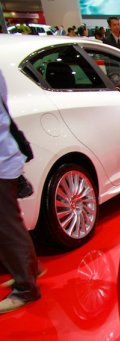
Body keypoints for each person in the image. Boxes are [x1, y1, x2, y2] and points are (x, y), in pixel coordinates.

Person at [0, 69, 42, 314]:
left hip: (3, 160)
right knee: (11, 223)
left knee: (7, 227)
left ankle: (26, 289)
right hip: (7, 155)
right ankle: (28, 270)